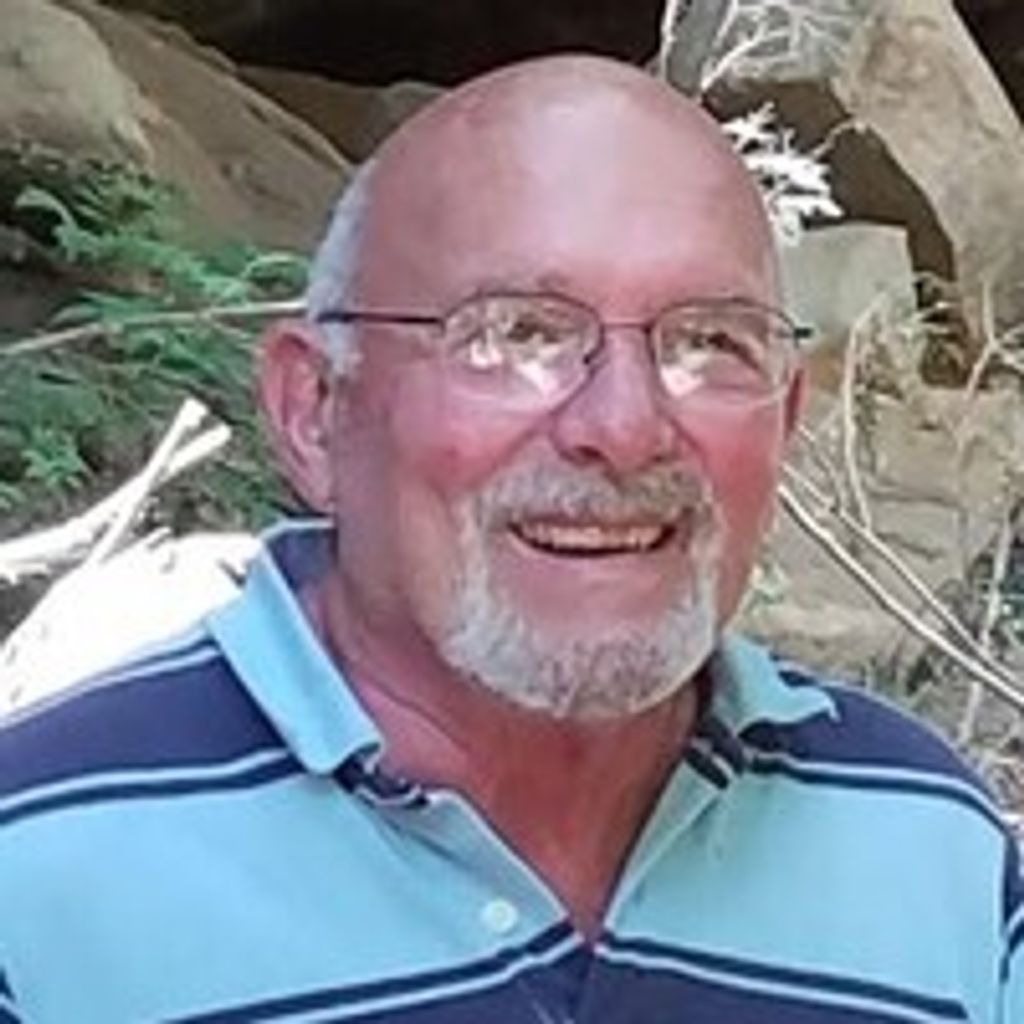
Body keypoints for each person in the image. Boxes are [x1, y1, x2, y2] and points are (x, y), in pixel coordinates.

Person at [0, 55, 1020, 1024]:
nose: (624, 428)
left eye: (710, 341)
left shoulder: (932, 852)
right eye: (516, 333)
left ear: (785, 418)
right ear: (315, 411)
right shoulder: (37, 876)